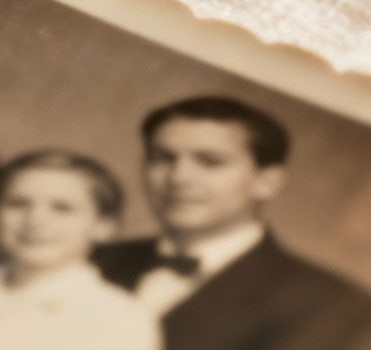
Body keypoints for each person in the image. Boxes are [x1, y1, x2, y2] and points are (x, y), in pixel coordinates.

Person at [93, 95, 371, 350]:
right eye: (162, 158)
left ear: (266, 183)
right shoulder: (95, 259)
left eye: (210, 162)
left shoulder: (332, 304)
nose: (179, 177)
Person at [0, 150, 158, 350]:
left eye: (62, 208)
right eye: (18, 204)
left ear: (103, 227)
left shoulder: (118, 319)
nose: (35, 221)